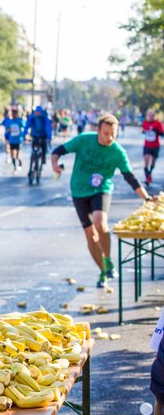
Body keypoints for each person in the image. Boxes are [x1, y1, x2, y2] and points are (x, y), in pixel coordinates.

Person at [52, 114, 154, 288]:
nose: (109, 138)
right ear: (98, 130)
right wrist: (55, 165)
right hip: (79, 190)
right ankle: (103, 271)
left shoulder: (117, 152)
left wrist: (147, 198)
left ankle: (107, 258)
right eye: (106, 133)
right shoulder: (84, 140)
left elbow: (130, 177)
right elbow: (58, 151)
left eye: (113, 134)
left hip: (101, 190)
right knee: (90, 236)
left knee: (100, 223)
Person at [23, 106, 52, 177]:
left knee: (43, 147)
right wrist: (24, 135)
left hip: (43, 136)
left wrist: (49, 137)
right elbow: (27, 126)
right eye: (36, 112)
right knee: (34, 151)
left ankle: (43, 158)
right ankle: (32, 164)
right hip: (35, 136)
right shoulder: (32, 117)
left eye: (39, 112)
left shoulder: (44, 117)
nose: (37, 113)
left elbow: (48, 127)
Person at [142, 110, 164, 185]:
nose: (150, 117)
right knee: (146, 162)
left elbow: (162, 134)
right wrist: (144, 131)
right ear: (147, 116)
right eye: (149, 115)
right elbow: (143, 130)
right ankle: (148, 178)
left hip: (155, 146)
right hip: (147, 145)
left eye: (152, 116)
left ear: (154, 116)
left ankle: (149, 174)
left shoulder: (158, 123)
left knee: (153, 163)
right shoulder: (145, 123)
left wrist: (156, 131)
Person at [4, 108, 26, 172]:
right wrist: (8, 132)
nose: (13, 115)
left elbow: (25, 128)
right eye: (12, 113)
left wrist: (23, 135)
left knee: (17, 156)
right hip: (11, 140)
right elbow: (6, 130)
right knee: (12, 155)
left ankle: (20, 163)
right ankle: (15, 167)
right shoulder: (9, 121)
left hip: (18, 140)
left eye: (15, 113)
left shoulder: (20, 121)